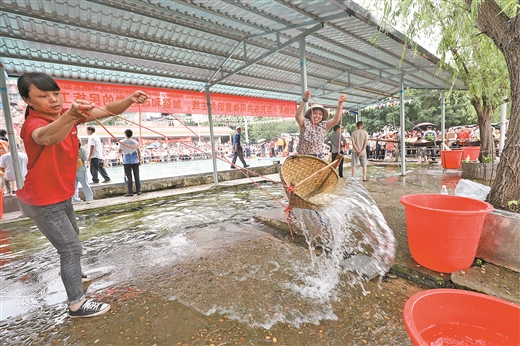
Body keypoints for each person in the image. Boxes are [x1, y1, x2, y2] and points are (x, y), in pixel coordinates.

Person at [15, 72, 148, 318]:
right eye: (43, 96)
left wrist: (129, 99)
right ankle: (77, 303)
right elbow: (47, 137)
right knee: (70, 248)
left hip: (61, 194)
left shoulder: (64, 116)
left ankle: (75, 274)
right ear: (28, 100)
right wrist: (71, 115)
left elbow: (107, 109)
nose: (53, 100)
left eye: (56, 93)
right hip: (43, 199)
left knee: (72, 240)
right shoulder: (34, 124)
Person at [295, 90, 347, 157]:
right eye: (315, 113)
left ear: (322, 117)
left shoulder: (324, 126)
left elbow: (335, 120)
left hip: (317, 157)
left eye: (320, 114)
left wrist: (340, 104)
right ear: (310, 115)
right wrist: (305, 100)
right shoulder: (305, 123)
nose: (317, 116)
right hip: (303, 157)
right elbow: (297, 116)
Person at [119, 129, 142, 196]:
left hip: (127, 162)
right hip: (135, 161)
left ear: (125, 134)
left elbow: (120, 151)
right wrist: (139, 160)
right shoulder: (135, 142)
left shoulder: (122, 142)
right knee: (137, 176)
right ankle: (138, 191)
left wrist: (123, 151)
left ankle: (130, 192)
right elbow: (138, 152)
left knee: (129, 177)